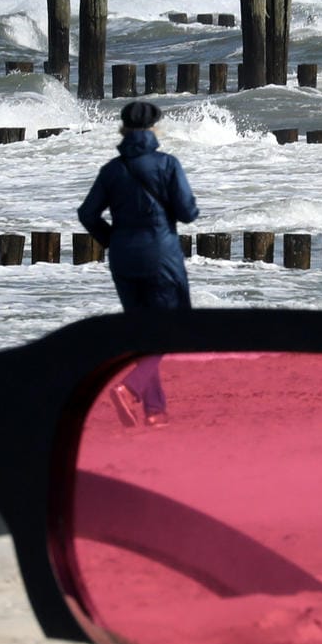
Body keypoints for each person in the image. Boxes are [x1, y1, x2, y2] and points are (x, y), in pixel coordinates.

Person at [78, 100, 199, 427]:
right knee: (171, 331)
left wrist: (112, 240)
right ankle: (131, 387)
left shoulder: (112, 169)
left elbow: (87, 214)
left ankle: (154, 410)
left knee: (143, 332)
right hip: (161, 256)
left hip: (123, 259)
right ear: (153, 128)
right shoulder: (167, 164)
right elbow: (188, 213)